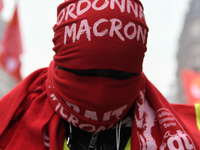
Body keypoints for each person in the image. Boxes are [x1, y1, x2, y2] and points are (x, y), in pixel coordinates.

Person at [0, 0, 200, 149]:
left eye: (116, 75)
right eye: (84, 74)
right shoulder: (9, 122)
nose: (99, 94)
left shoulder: (196, 128)